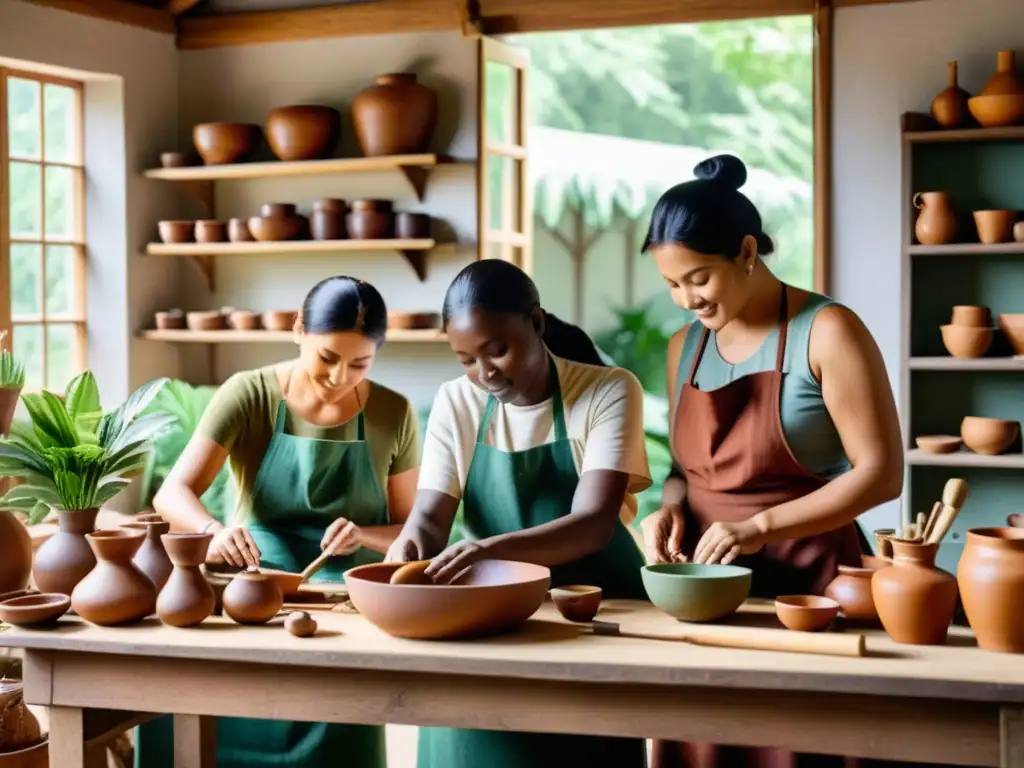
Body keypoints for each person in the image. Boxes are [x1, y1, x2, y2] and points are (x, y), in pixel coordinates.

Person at [641, 155, 904, 768]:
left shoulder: (828, 330)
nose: (685, 300)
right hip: (709, 589)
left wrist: (759, 527)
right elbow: (686, 470)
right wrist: (669, 507)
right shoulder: (685, 346)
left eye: (698, 278)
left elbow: (881, 473)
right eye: (672, 285)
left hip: (813, 588)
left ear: (748, 251)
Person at [134, 275, 421, 768]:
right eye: (327, 358)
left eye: (360, 363)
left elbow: (413, 531)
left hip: (345, 602)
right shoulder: (249, 394)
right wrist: (212, 531)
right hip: (251, 585)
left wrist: (364, 535)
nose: (339, 376)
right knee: (178, 697)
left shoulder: (394, 412)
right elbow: (172, 493)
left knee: (337, 720)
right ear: (298, 330)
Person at [387, 259, 651, 768]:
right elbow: (430, 517)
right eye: (466, 359)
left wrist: (488, 550)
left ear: (536, 323)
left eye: (497, 351)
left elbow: (595, 522)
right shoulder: (456, 401)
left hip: (590, 617)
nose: (484, 375)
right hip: (489, 617)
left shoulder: (608, 390)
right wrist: (411, 549)